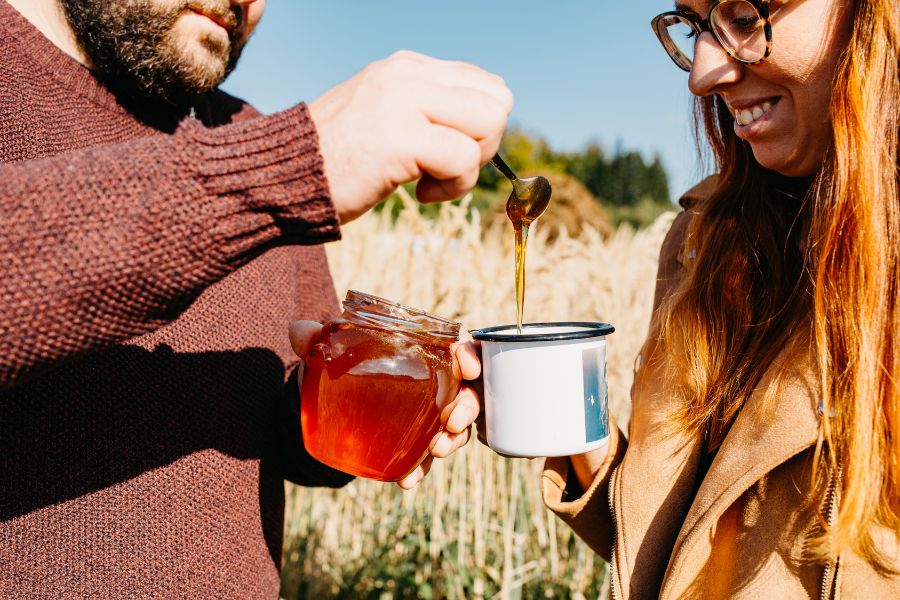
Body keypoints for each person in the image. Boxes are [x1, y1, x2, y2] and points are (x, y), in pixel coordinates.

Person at [0, 0, 507, 596]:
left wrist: (387, 394)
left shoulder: (247, 133)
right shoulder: (271, 166)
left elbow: (278, 431)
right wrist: (288, 168)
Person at [521, 0, 898, 598]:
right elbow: (691, 551)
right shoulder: (706, 242)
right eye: (693, 27)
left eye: (745, 16)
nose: (702, 74)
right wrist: (575, 430)